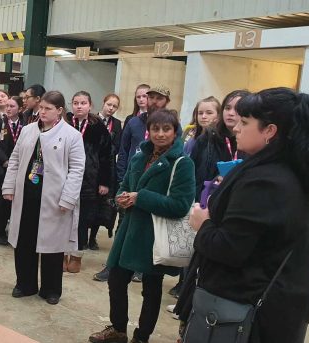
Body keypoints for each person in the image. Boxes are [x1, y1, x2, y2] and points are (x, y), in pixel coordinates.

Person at [176, 88, 309, 342]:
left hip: (243, 312)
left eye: (245, 122)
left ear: (270, 131)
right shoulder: (293, 171)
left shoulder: (267, 181)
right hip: (270, 308)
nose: (236, 128)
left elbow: (230, 248)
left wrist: (204, 224)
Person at [89, 109, 195, 343]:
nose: (160, 134)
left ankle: (141, 336)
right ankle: (118, 330)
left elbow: (181, 204)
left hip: (154, 235)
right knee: (116, 280)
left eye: (166, 129)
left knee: (151, 288)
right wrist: (121, 198)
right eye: (155, 128)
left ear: (175, 131)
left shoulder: (182, 163)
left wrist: (141, 198)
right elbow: (124, 186)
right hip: (129, 231)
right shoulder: (139, 157)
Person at [3, 90, 85, 305]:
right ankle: (25, 284)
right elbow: (15, 159)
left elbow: (77, 170)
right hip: (27, 194)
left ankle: (51, 289)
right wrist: (9, 186)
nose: (42, 112)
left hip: (53, 199)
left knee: (52, 247)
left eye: (48, 109)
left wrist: (68, 198)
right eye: (41, 108)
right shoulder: (28, 130)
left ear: (59, 111)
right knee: (24, 241)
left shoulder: (72, 135)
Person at [98, 84, 174, 284]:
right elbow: (123, 152)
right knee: (124, 225)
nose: (154, 102)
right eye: (151, 98)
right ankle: (113, 265)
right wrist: (123, 179)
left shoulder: (171, 125)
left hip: (155, 186)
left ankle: (142, 268)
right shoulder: (133, 123)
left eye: (160, 98)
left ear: (166, 102)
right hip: (131, 182)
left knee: (149, 229)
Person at [63, 91, 111, 273]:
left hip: (89, 180)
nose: (79, 106)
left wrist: (105, 182)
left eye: (83, 103)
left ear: (90, 105)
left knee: (82, 219)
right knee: (64, 217)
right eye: (75, 103)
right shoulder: (64, 123)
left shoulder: (98, 126)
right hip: (65, 177)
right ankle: (61, 253)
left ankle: (76, 255)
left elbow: (107, 156)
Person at [0, 96, 25, 246]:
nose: (8, 109)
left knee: (13, 202)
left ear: (20, 109)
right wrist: (4, 160)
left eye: (12, 106)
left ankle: (9, 230)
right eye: (7, 106)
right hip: (1, 168)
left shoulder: (25, 125)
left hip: (18, 169)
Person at [97, 94, 122, 239]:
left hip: (109, 164)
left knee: (103, 202)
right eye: (109, 105)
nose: (111, 108)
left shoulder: (117, 124)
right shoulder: (93, 119)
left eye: (114, 106)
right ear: (104, 103)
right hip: (93, 163)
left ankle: (94, 236)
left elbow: (117, 145)